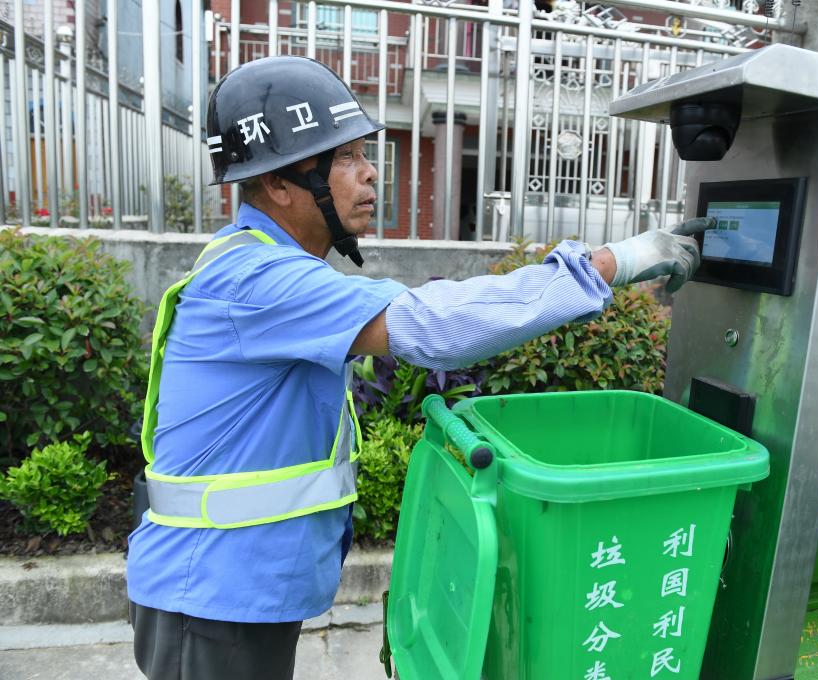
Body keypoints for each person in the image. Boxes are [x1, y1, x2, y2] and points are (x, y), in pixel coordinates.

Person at [126, 55, 712, 680]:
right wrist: (615, 262)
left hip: (231, 584)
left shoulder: (255, 262)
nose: (370, 172)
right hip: (211, 593)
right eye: (345, 157)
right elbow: (436, 325)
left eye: (363, 153)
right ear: (279, 183)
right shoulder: (259, 281)